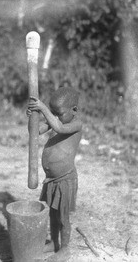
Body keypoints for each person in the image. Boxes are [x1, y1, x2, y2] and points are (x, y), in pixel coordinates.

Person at [27, 87, 82, 261]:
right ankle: (55, 242)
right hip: (51, 180)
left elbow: (58, 127)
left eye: (59, 113)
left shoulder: (75, 124)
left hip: (65, 179)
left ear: (74, 110)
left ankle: (65, 249)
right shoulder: (56, 119)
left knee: (63, 216)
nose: (55, 117)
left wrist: (43, 108)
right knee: (52, 213)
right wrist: (32, 118)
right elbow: (34, 132)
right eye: (53, 113)